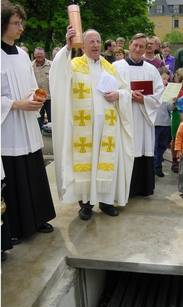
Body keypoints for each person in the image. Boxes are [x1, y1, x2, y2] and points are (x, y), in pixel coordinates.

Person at [49, 28, 134, 220]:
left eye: (98, 41)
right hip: (84, 128)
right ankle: (85, 204)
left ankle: (105, 202)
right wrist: (67, 47)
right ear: (84, 45)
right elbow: (57, 76)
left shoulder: (110, 68)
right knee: (86, 165)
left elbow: (125, 92)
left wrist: (118, 95)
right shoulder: (73, 65)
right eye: (91, 42)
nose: (95, 45)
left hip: (107, 128)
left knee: (105, 164)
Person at [1, 0, 56, 243]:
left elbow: (31, 85)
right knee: (13, 175)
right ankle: (14, 228)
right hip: (8, 126)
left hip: (27, 122)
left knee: (33, 168)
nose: (21, 27)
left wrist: (36, 97)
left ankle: (37, 219)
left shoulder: (23, 55)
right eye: (15, 23)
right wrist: (15, 104)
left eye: (21, 22)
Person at [113, 33, 164, 197]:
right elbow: (109, 91)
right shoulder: (116, 67)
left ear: (146, 49)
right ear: (130, 44)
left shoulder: (151, 70)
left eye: (142, 46)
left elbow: (159, 94)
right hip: (124, 117)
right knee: (126, 149)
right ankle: (124, 189)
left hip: (143, 118)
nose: (138, 49)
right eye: (135, 45)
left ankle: (143, 188)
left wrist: (144, 100)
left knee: (142, 148)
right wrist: (126, 95)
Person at [170, 67, 183, 173]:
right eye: (177, 77)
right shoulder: (173, 88)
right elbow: (169, 104)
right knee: (175, 138)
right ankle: (174, 160)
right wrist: (173, 102)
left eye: (181, 79)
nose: (179, 80)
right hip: (176, 115)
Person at [154, 67, 171, 177]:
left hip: (166, 123)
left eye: (167, 79)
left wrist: (173, 102)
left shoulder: (169, 91)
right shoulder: (154, 90)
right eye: (163, 78)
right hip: (156, 123)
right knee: (154, 147)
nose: (165, 81)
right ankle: (154, 167)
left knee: (162, 146)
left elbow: (169, 108)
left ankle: (158, 165)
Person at [32, 47, 52, 128]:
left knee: (52, 118)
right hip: (36, 98)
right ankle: (39, 136)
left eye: (41, 54)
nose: (39, 56)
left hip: (49, 97)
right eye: (37, 54)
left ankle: (53, 136)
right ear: (34, 55)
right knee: (38, 118)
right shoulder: (30, 66)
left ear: (44, 55)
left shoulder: (52, 65)